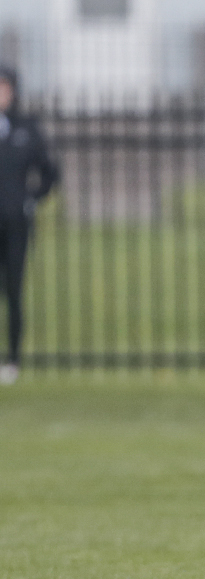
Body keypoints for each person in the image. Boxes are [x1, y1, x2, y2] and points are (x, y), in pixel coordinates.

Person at [0, 66, 59, 386]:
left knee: (13, 289)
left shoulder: (27, 129)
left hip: (15, 223)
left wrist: (31, 199)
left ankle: (13, 359)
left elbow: (50, 172)